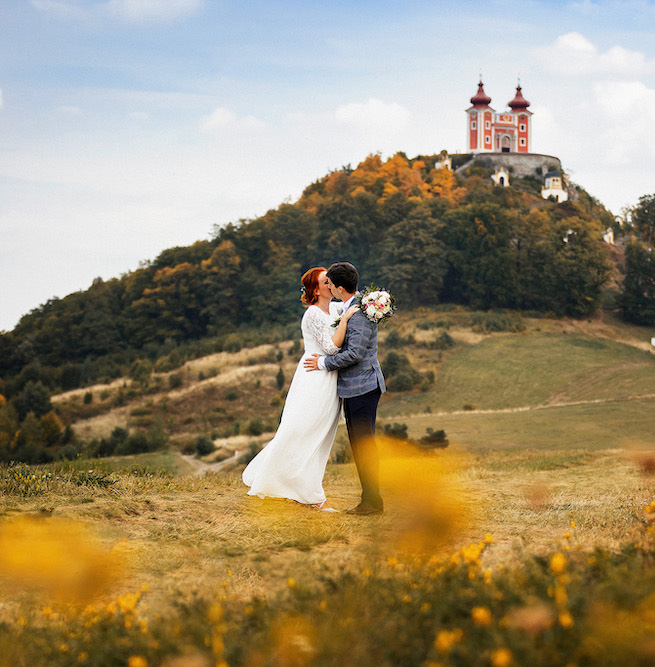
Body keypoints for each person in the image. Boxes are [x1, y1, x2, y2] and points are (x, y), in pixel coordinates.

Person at [242, 267, 359, 512]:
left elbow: (352, 301)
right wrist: (346, 321)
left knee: (321, 435)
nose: (332, 283)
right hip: (314, 378)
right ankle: (313, 496)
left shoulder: (336, 308)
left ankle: (300, 487)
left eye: (332, 280)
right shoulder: (313, 315)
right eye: (326, 281)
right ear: (316, 290)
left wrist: (375, 303)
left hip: (330, 379)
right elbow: (330, 348)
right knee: (302, 430)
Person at [304, 262, 386, 516]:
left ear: (339, 288)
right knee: (362, 445)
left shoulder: (359, 312)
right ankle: (371, 500)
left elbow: (354, 354)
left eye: (330, 284)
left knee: (364, 446)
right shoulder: (353, 306)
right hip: (357, 388)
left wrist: (323, 363)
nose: (327, 287)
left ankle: (372, 503)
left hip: (362, 387)